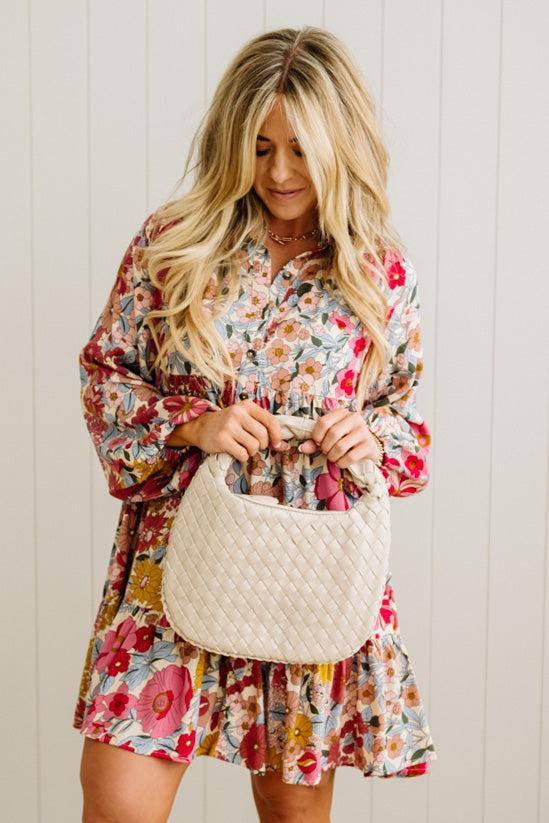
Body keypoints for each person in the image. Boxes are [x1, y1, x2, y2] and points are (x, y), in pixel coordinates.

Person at [75, 25, 437, 823]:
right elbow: (104, 374)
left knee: (289, 811)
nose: (278, 171)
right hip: (173, 564)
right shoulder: (173, 246)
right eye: (260, 146)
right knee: (121, 805)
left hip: (308, 570)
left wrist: (368, 438)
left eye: (301, 149)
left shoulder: (378, 272)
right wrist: (193, 424)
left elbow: (408, 428)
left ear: (341, 145)